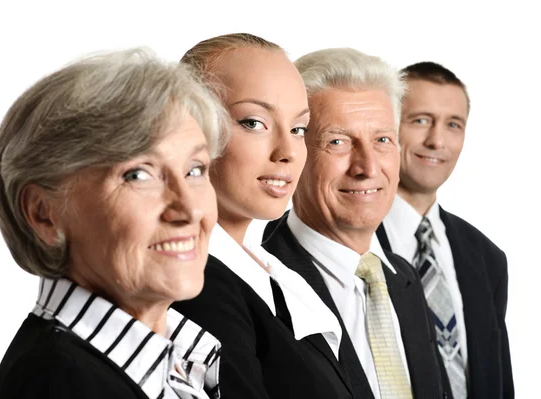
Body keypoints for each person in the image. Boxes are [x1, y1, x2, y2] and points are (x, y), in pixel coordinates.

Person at [0, 49, 227, 399]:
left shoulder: (171, 362)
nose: (189, 209)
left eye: (195, 170)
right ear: (43, 214)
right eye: (138, 174)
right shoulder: (60, 384)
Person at [263, 48, 451, 399]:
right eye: (338, 141)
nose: (367, 167)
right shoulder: (260, 290)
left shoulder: (406, 279)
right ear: (295, 151)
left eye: (382, 140)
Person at [171, 34, 349, 399]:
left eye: (299, 128)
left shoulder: (276, 273)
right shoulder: (197, 283)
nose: (287, 152)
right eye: (254, 122)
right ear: (190, 128)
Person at [375, 61, 514, 398]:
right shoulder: (342, 236)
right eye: (421, 120)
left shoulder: (486, 257)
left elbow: (497, 381)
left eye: (453, 124)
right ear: (388, 126)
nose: (437, 140)